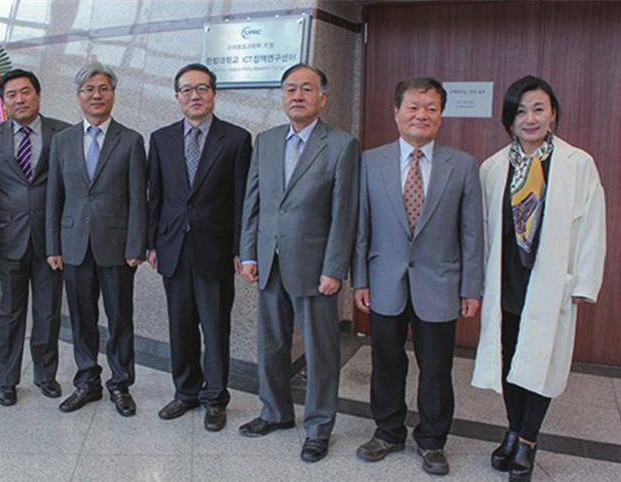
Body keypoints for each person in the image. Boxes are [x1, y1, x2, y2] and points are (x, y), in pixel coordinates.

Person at [471, 75, 605, 482]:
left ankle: (528, 441)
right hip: (507, 279)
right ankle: (514, 430)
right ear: (509, 120)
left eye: (538, 109)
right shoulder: (494, 167)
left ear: (553, 114)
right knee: (512, 359)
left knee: (543, 362)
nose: (529, 118)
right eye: (520, 111)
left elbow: (593, 225)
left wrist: (583, 282)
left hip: (550, 281)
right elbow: (483, 229)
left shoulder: (576, 163)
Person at [351, 77, 483, 476]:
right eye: (413, 106)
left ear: (441, 115)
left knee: (437, 368)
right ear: (396, 113)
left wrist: (471, 287)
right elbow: (361, 227)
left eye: (430, 107)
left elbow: (472, 232)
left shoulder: (461, 165)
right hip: (384, 280)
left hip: (440, 285)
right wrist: (360, 279)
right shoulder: (370, 161)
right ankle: (388, 431)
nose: (421, 115)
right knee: (386, 362)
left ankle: (432, 440)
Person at [238, 64, 359, 463]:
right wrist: (250, 252)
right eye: (290, 88)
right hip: (269, 260)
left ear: (323, 97)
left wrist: (335, 269)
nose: (297, 95)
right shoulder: (267, 140)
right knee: (271, 344)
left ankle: (319, 426)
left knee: (321, 352)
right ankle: (274, 412)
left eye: (306, 88)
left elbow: (344, 214)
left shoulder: (341, 145)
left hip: (315, 266)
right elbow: (253, 202)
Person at [147, 63, 252, 431]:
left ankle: (215, 398)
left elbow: (242, 200)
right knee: (180, 325)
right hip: (173, 246)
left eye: (202, 88)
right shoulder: (160, 139)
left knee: (215, 325)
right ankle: (186, 392)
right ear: (176, 96)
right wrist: (151, 242)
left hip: (217, 249)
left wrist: (242, 248)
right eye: (187, 89)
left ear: (213, 93)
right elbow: (155, 196)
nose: (195, 95)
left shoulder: (237, 139)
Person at [46, 62, 147, 417]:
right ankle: (87, 382)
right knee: (81, 318)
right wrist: (53, 246)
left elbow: (139, 198)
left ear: (113, 94)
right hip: (73, 246)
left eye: (103, 88)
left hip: (118, 248)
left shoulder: (132, 140)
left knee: (120, 318)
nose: (96, 95)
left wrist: (136, 245)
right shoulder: (62, 140)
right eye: (89, 89)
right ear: (78, 96)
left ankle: (120, 384)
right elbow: (54, 198)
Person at [0, 69, 70, 406]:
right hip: (9, 237)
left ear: (38, 94)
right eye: (12, 94)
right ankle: (6, 379)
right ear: (3, 101)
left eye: (26, 92)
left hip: (51, 240)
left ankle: (46, 375)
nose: (20, 99)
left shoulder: (63, 133)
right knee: (7, 312)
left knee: (48, 312)